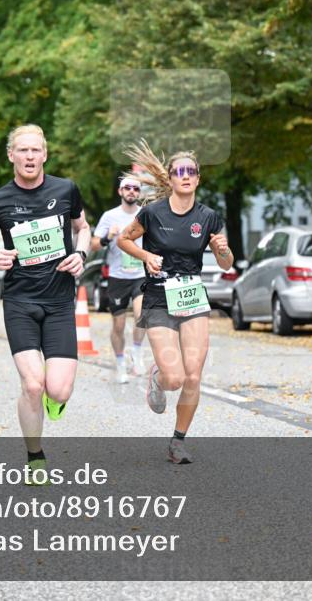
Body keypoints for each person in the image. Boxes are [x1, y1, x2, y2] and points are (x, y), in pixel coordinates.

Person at [0, 124, 89, 482]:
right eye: (22, 150)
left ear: (45, 154)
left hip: (59, 301)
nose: (29, 157)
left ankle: (55, 397)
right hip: (20, 300)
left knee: (58, 389)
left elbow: (84, 227)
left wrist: (81, 252)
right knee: (32, 384)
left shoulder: (66, 190)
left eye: (35, 150)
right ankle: (35, 456)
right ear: (11, 156)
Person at [117, 140, 233, 464]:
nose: (185, 176)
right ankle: (157, 376)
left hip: (192, 295)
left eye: (191, 171)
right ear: (170, 178)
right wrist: (145, 254)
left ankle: (178, 442)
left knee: (193, 376)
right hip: (158, 295)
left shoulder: (209, 217)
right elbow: (124, 238)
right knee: (175, 378)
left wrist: (222, 250)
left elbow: (226, 263)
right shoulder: (152, 213)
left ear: (197, 179)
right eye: (179, 171)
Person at [91, 175, 147, 383]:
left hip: (140, 274)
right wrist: (107, 237)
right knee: (118, 325)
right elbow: (94, 244)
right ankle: (121, 363)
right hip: (117, 276)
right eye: (127, 188)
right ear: (120, 192)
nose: (131, 191)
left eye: (135, 188)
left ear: (139, 193)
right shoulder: (109, 216)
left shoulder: (145, 214)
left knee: (142, 314)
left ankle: (138, 352)